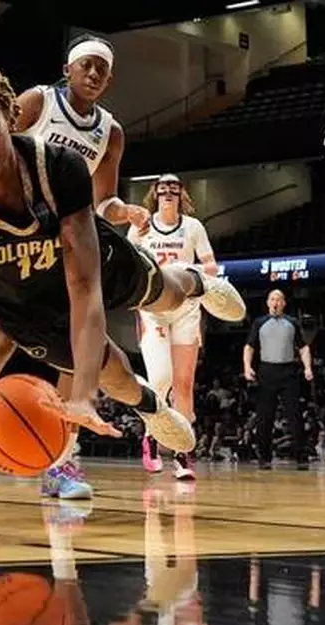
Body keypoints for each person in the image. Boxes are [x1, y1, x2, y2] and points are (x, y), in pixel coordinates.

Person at [0, 64, 246, 498]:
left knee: (163, 291)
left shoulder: (58, 168)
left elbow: (85, 287)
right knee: (109, 374)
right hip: (24, 298)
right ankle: (149, 406)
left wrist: (82, 395)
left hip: (79, 263)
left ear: (12, 117)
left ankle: (196, 281)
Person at [0, 35, 152, 496]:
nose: (94, 73)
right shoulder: (39, 101)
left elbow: (104, 200)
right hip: (13, 232)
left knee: (74, 337)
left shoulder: (110, 132)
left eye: (103, 67)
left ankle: (62, 460)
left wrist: (123, 213)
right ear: (69, 68)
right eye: (87, 64)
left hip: (67, 232)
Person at [129, 174, 218, 480]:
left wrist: (184, 269)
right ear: (155, 194)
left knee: (184, 384)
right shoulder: (141, 226)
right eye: (162, 187)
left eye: (173, 187)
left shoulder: (193, 227)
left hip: (186, 308)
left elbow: (211, 266)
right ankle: (152, 436)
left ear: (181, 194)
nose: (168, 191)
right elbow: (128, 265)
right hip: (153, 310)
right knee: (161, 380)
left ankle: (182, 453)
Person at [242, 290, 313, 470]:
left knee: (295, 415)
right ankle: (264, 457)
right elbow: (249, 347)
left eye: (279, 300)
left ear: (284, 303)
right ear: (267, 303)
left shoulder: (292, 322)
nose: (275, 302)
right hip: (267, 370)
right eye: (272, 299)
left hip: (288, 370)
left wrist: (307, 367)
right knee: (265, 416)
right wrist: (247, 367)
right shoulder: (260, 323)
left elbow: (303, 347)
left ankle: (301, 456)